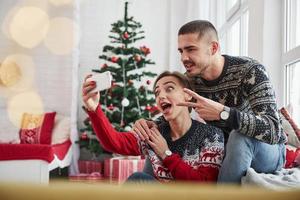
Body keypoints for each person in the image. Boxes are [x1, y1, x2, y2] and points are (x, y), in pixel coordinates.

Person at [132, 20, 287, 183]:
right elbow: (177, 111)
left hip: (268, 150)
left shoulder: (251, 71)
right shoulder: (191, 79)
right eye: (181, 51)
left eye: (191, 49)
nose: (184, 58)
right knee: (160, 135)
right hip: (224, 148)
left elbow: (274, 130)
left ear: (213, 48)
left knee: (239, 136)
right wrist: (150, 125)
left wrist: (224, 114)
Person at [82, 71, 224, 182]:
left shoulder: (211, 135)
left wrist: (166, 154)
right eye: (157, 92)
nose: (161, 96)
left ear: (187, 95)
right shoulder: (155, 132)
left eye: (169, 88)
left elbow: (205, 185)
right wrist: (94, 109)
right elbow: (114, 143)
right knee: (138, 179)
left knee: (138, 179)